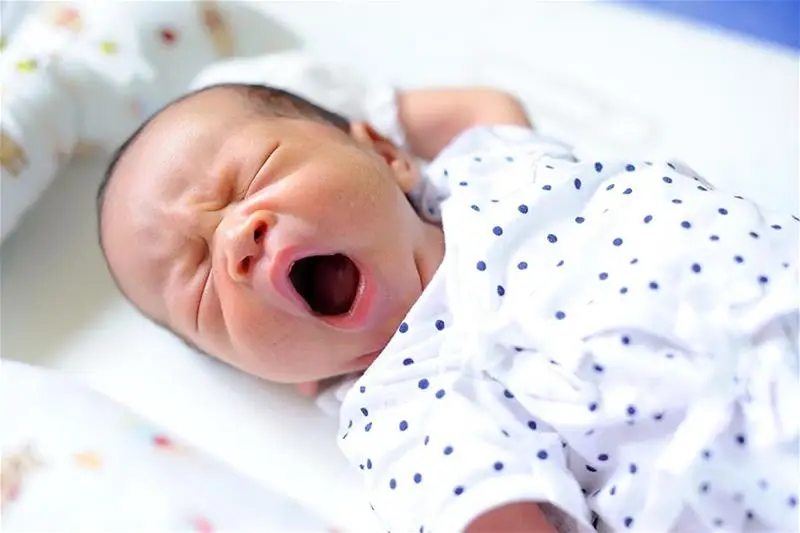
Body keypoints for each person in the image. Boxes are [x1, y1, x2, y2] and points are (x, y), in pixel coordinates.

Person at [97, 82, 799, 533]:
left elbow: (481, 103)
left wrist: (339, 90)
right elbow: (489, 514)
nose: (235, 242)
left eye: (254, 174)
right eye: (199, 283)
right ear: (283, 378)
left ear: (387, 154)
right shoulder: (404, 412)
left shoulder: (490, 168)